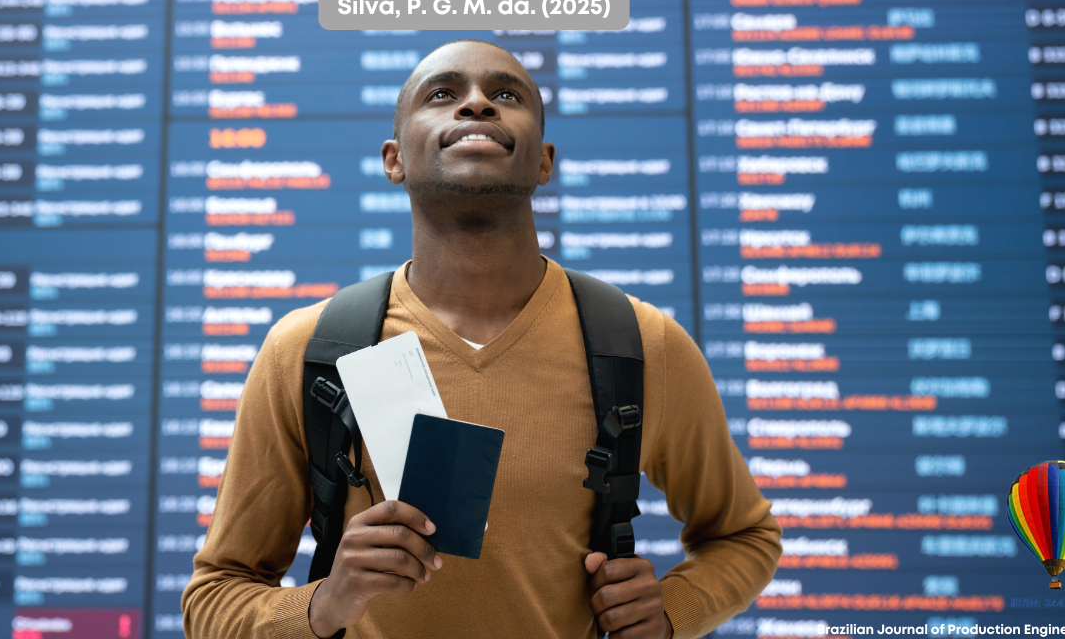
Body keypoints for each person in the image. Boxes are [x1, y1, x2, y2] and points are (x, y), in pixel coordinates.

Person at [182, 39, 782, 639]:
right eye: (442, 95)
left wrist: (672, 610)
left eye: (505, 95)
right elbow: (213, 599)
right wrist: (323, 605)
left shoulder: (640, 345)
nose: (476, 105)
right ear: (394, 160)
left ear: (544, 162)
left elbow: (745, 536)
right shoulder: (311, 351)